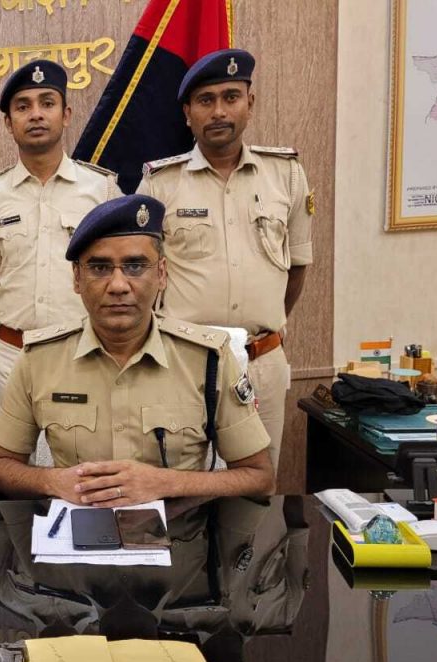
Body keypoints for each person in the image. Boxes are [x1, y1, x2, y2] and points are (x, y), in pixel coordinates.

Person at [0, 195, 274, 505]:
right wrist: (53, 481)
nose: (118, 285)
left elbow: (260, 477)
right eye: (100, 268)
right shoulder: (40, 359)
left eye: (135, 266)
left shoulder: (208, 359)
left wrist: (165, 483)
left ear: (161, 274)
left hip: (179, 531)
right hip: (78, 528)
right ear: (77, 278)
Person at [137, 49, 314, 472]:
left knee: (256, 486)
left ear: (249, 103)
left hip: (261, 361)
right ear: (187, 113)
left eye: (230, 97)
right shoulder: (160, 183)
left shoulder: (286, 174)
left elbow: (297, 266)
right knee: (180, 483)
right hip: (184, 363)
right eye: (205, 100)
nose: (218, 111)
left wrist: (267, 324)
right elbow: (140, 271)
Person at [0, 59, 122, 427]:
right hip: (11, 356)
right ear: (9, 122)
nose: (36, 114)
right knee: (9, 457)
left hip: (83, 352)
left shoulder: (101, 190)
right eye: (23, 106)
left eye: (47, 103)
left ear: (66, 114)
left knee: (84, 453)